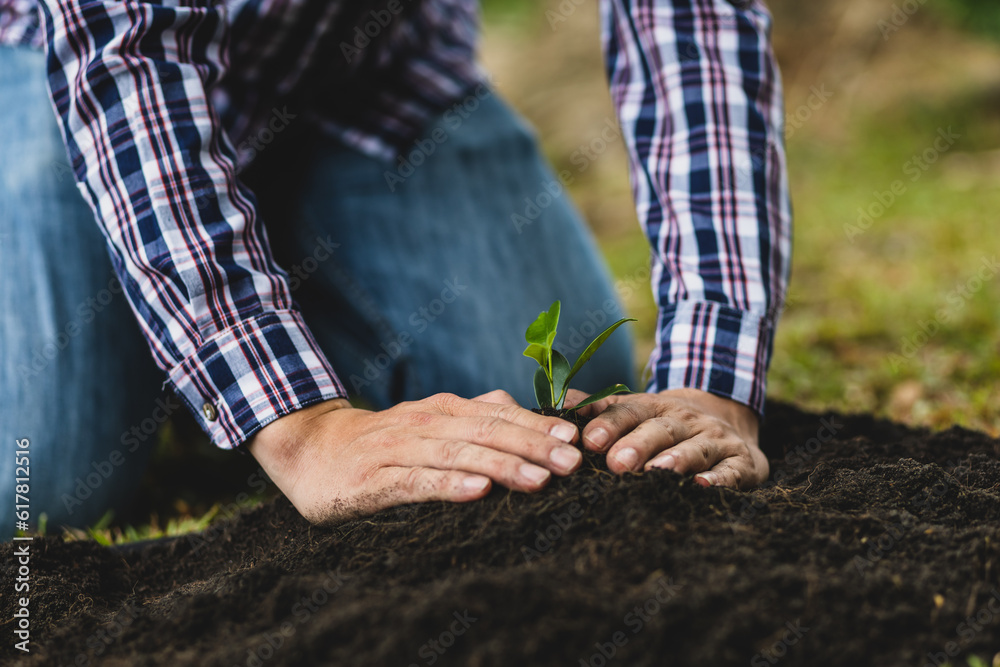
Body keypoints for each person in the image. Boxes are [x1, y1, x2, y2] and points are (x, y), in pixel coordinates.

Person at [0, 0, 790, 535]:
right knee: (41, 478)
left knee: (548, 391)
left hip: (366, 69)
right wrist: (303, 430)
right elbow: (124, 54)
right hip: (60, 73)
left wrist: (712, 377)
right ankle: (183, 338)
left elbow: (693, 29)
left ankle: (206, 314)